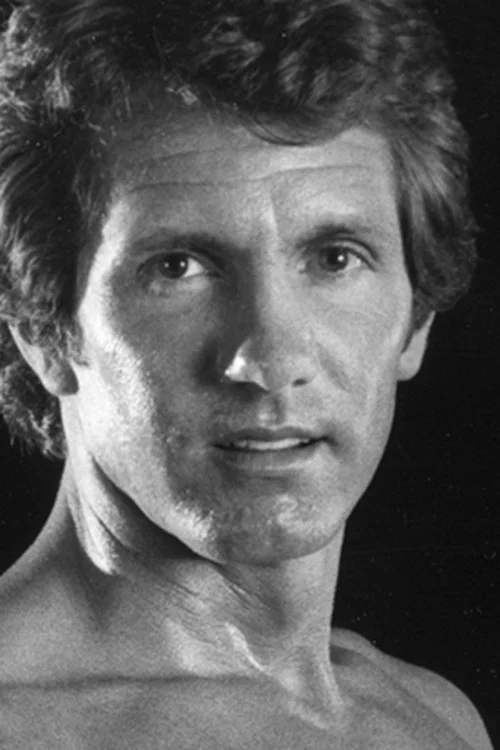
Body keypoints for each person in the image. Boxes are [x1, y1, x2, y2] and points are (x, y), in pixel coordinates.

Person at [0, 0, 493, 747]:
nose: (270, 361)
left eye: (335, 259)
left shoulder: (437, 719)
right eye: (178, 267)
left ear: (416, 318)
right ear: (45, 332)